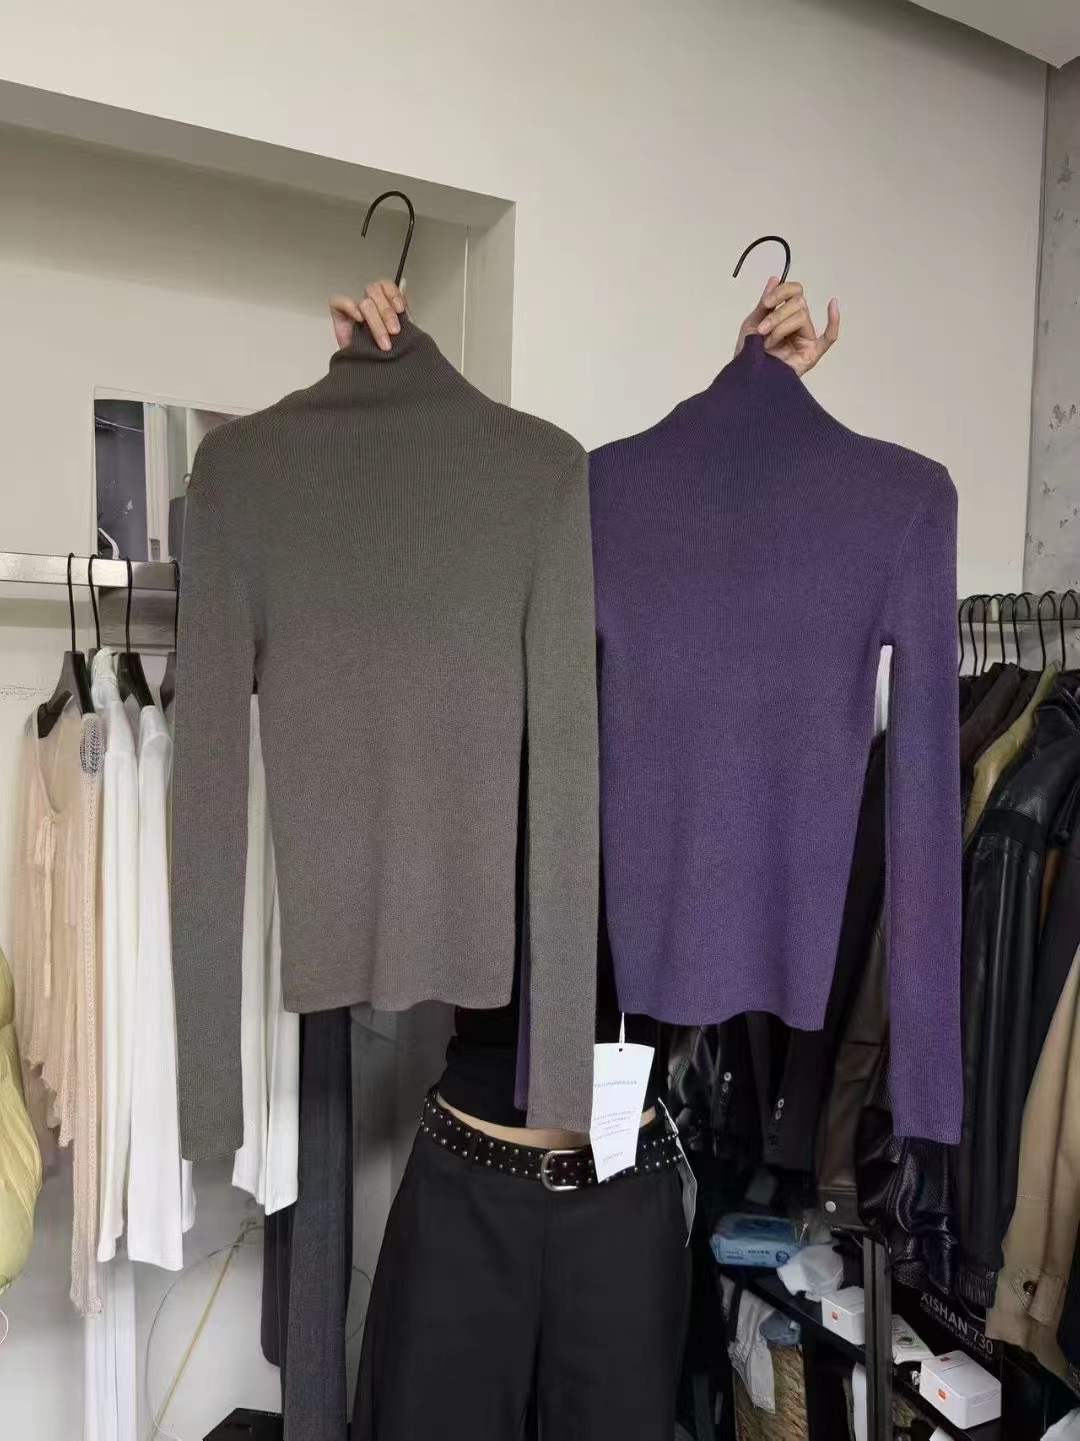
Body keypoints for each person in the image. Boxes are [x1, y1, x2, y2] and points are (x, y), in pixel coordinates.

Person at [329, 274, 839, 1439]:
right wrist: (365, 402)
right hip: (466, 1195)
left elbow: (733, 547)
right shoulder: (470, 720)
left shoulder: (686, 750)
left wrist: (761, 399)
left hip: (626, 1201)